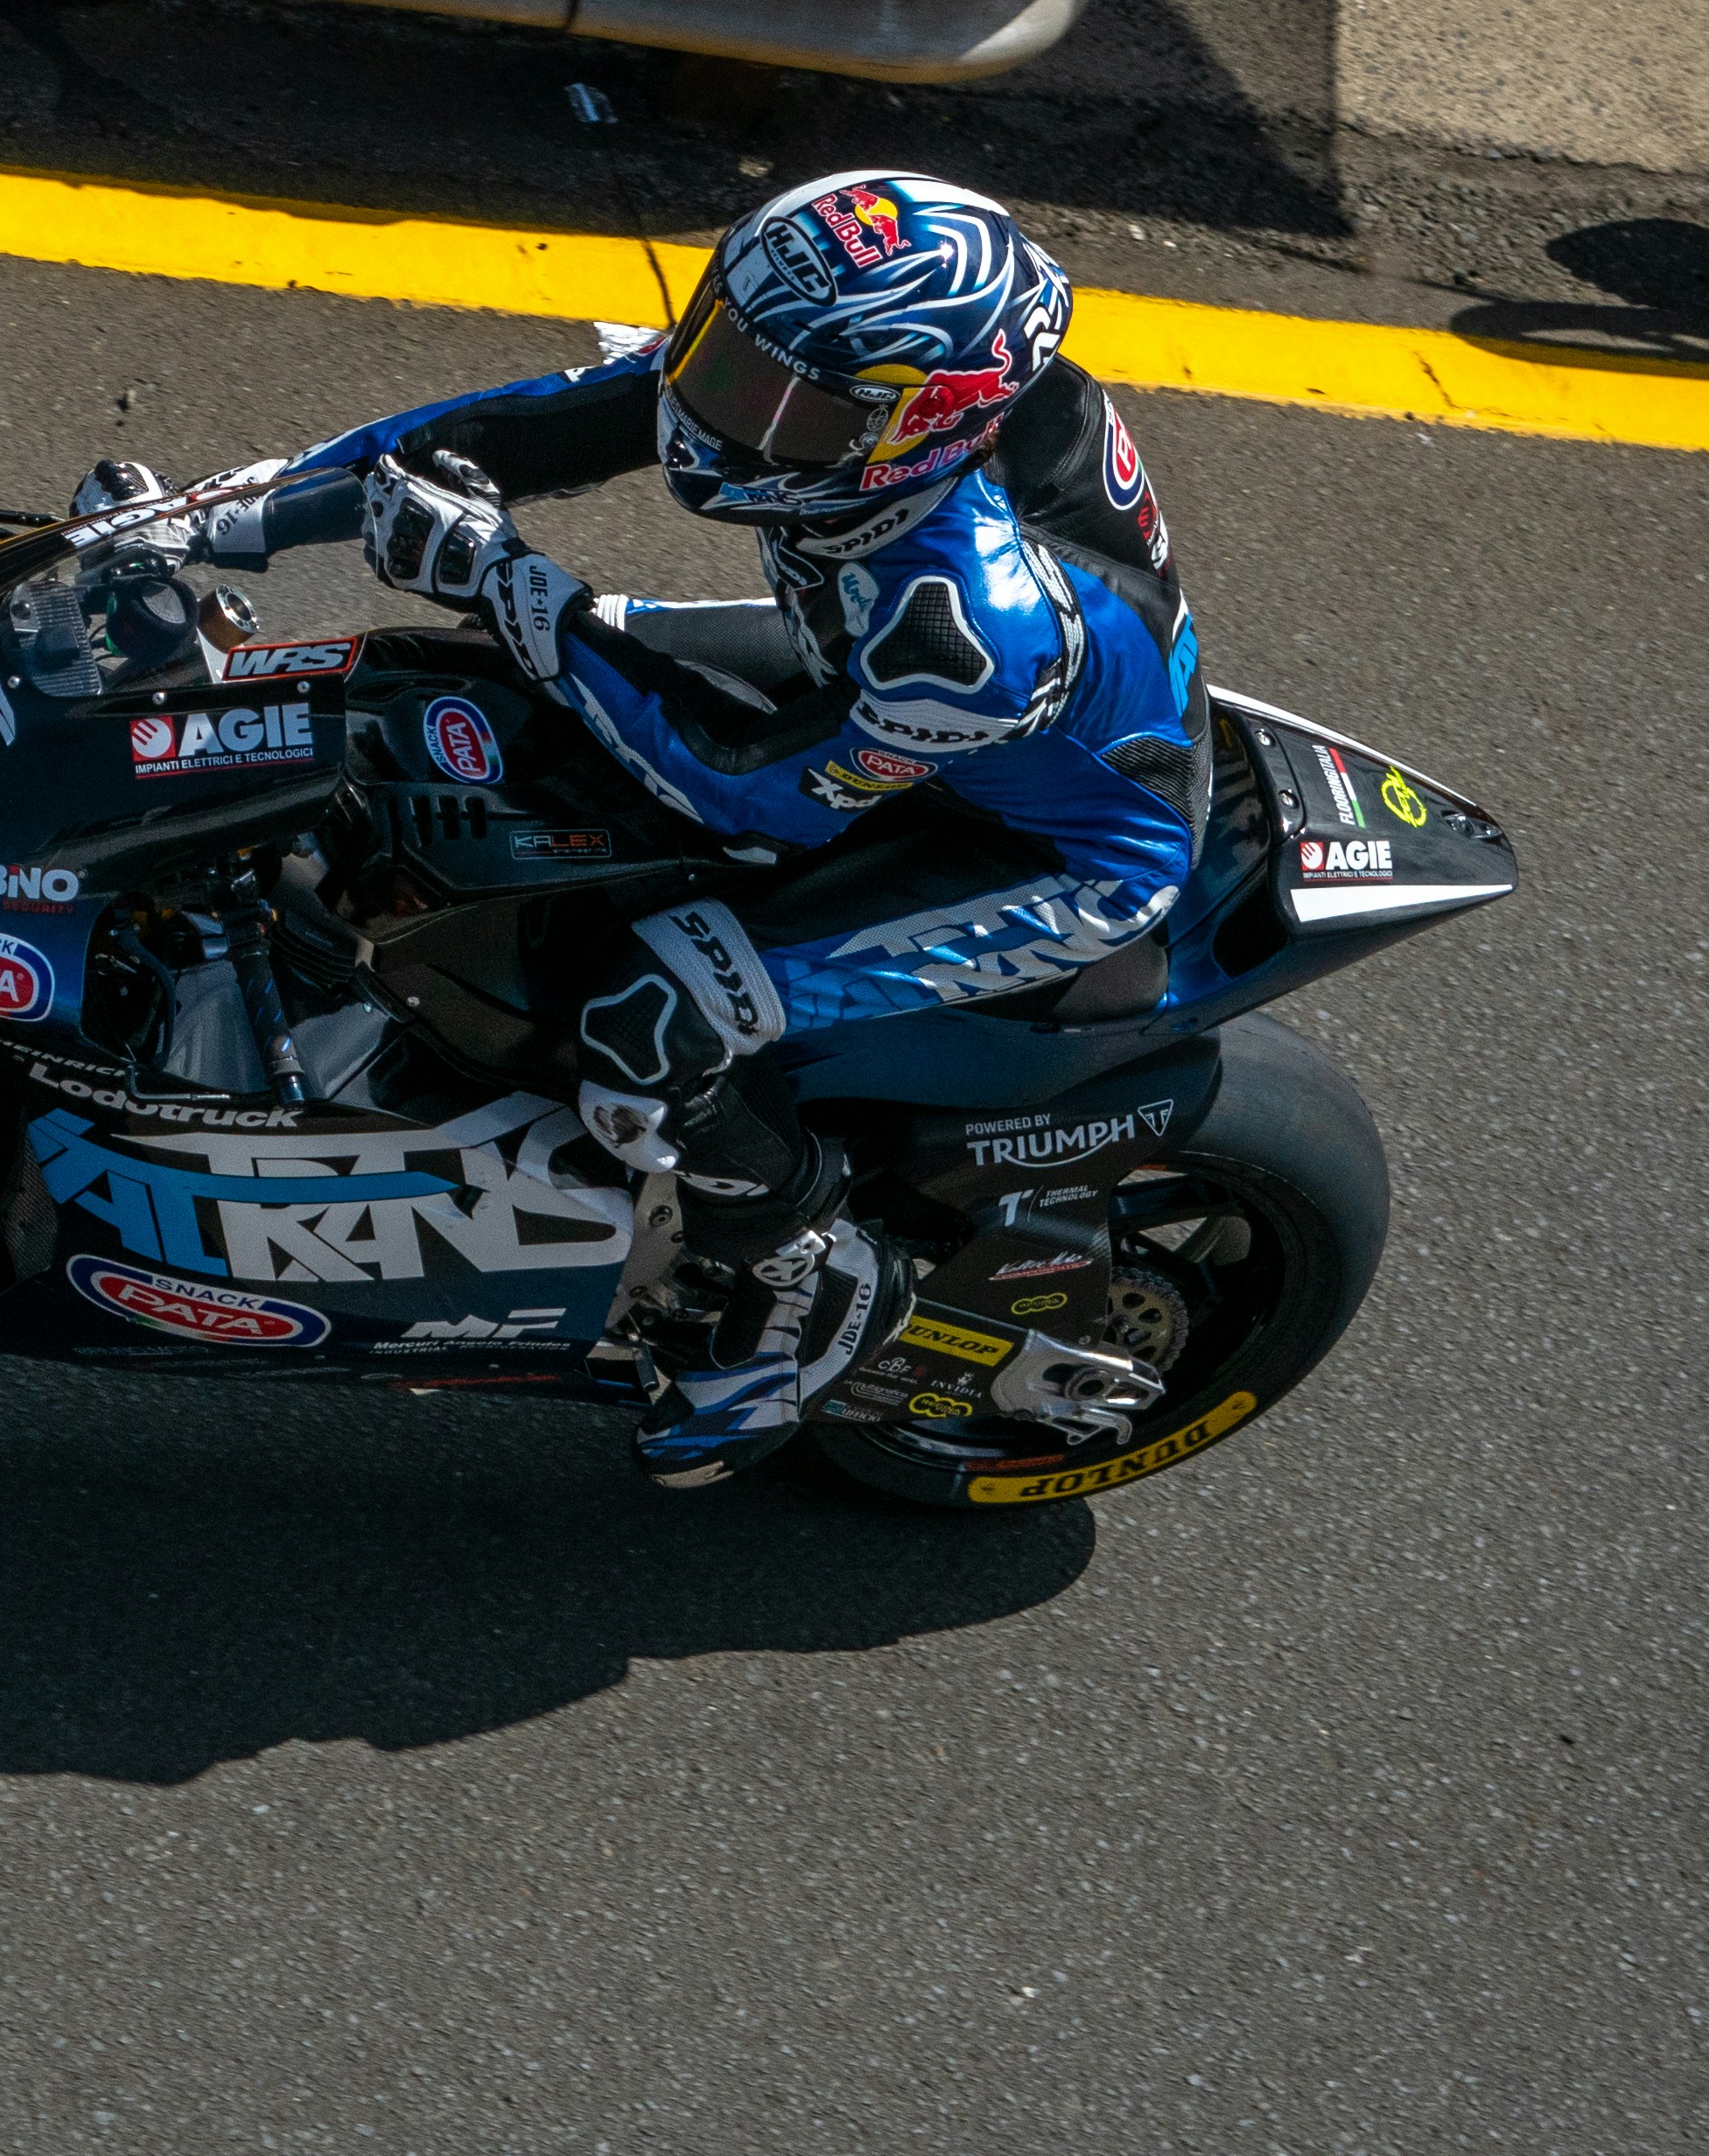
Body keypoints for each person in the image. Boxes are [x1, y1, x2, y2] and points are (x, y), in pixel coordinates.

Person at [125, 171, 1207, 1488]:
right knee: (447, 689)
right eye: (718, 352)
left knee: (654, 1016)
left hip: (1050, 844)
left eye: (780, 403)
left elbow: (740, 792)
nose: (715, 410)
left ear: (921, 428)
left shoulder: (965, 626)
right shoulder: (833, 387)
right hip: (877, 682)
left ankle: (807, 1283)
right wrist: (200, 523)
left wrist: (508, 580)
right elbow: (487, 442)